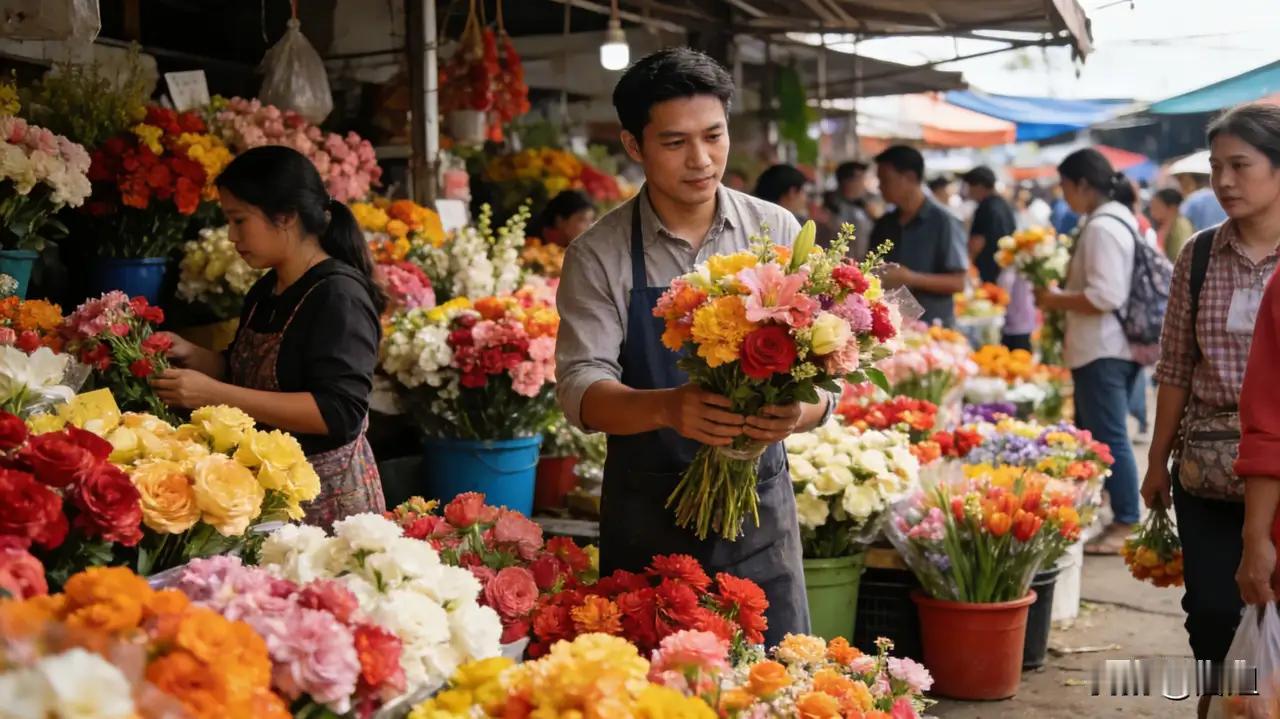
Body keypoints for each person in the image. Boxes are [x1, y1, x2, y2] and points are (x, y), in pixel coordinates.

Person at [555, 48, 827, 647]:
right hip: (647, 518)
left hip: (760, 515)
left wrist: (799, 412)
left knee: (776, 680)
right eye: (675, 142)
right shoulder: (597, 255)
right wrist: (667, 408)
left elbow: (825, 372)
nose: (701, 160)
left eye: (714, 136)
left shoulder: (777, 232)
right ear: (634, 145)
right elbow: (579, 388)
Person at [153, 145, 386, 527]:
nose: (232, 236)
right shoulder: (268, 288)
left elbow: (338, 412)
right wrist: (193, 356)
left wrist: (215, 394)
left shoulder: (338, 296)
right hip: (270, 495)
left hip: (328, 507)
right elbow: (248, 371)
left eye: (239, 220)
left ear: (286, 217)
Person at [1141, 104, 1280, 719]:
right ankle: (1221, 705)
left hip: (1276, 470)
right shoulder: (1199, 256)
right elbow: (1175, 367)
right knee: (1212, 614)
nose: (1224, 181)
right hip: (1206, 471)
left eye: (1240, 166)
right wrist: (1155, 460)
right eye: (1217, 166)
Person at [1034, 148, 1143, 554]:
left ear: (1082, 184)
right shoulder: (1117, 219)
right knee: (1102, 435)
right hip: (1108, 346)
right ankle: (1113, 512)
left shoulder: (1102, 227)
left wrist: (1055, 299)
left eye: (1064, 186)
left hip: (1103, 349)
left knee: (1110, 437)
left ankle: (1127, 520)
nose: (1063, 195)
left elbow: (1106, 295)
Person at [871, 145, 968, 327]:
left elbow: (959, 282)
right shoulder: (884, 223)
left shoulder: (944, 221)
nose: (880, 187)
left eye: (885, 180)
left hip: (934, 327)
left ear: (910, 177)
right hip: (890, 326)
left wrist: (911, 278)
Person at [962, 165, 1017, 284]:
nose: (968, 191)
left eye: (969, 186)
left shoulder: (985, 207)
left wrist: (967, 264)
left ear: (979, 186)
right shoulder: (1005, 205)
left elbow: (977, 241)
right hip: (1005, 268)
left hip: (987, 271)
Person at [824, 160, 874, 259]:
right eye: (860, 179)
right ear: (847, 181)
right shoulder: (830, 206)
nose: (863, 183)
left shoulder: (864, 205)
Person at [1151, 187, 1196, 262]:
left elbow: (1183, 255)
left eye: (1156, 207)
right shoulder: (1160, 225)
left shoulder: (1182, 226)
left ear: (1172, 208)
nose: (1152, 212)